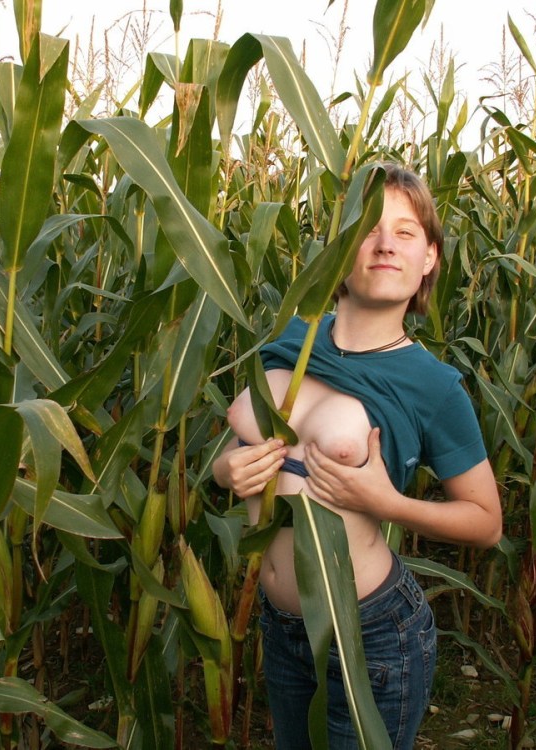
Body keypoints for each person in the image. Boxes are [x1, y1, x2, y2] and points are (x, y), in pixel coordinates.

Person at [212, 162, 502, 749]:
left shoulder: (432, 385)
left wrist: (385, 501)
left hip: (368, 635)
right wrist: (226, 471)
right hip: (280, 626)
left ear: (430, 260)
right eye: (368, 228)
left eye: (406, 232)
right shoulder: (289, 340)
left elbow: (486, 522)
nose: (385, 244)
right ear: (341, 249)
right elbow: (230, 452)